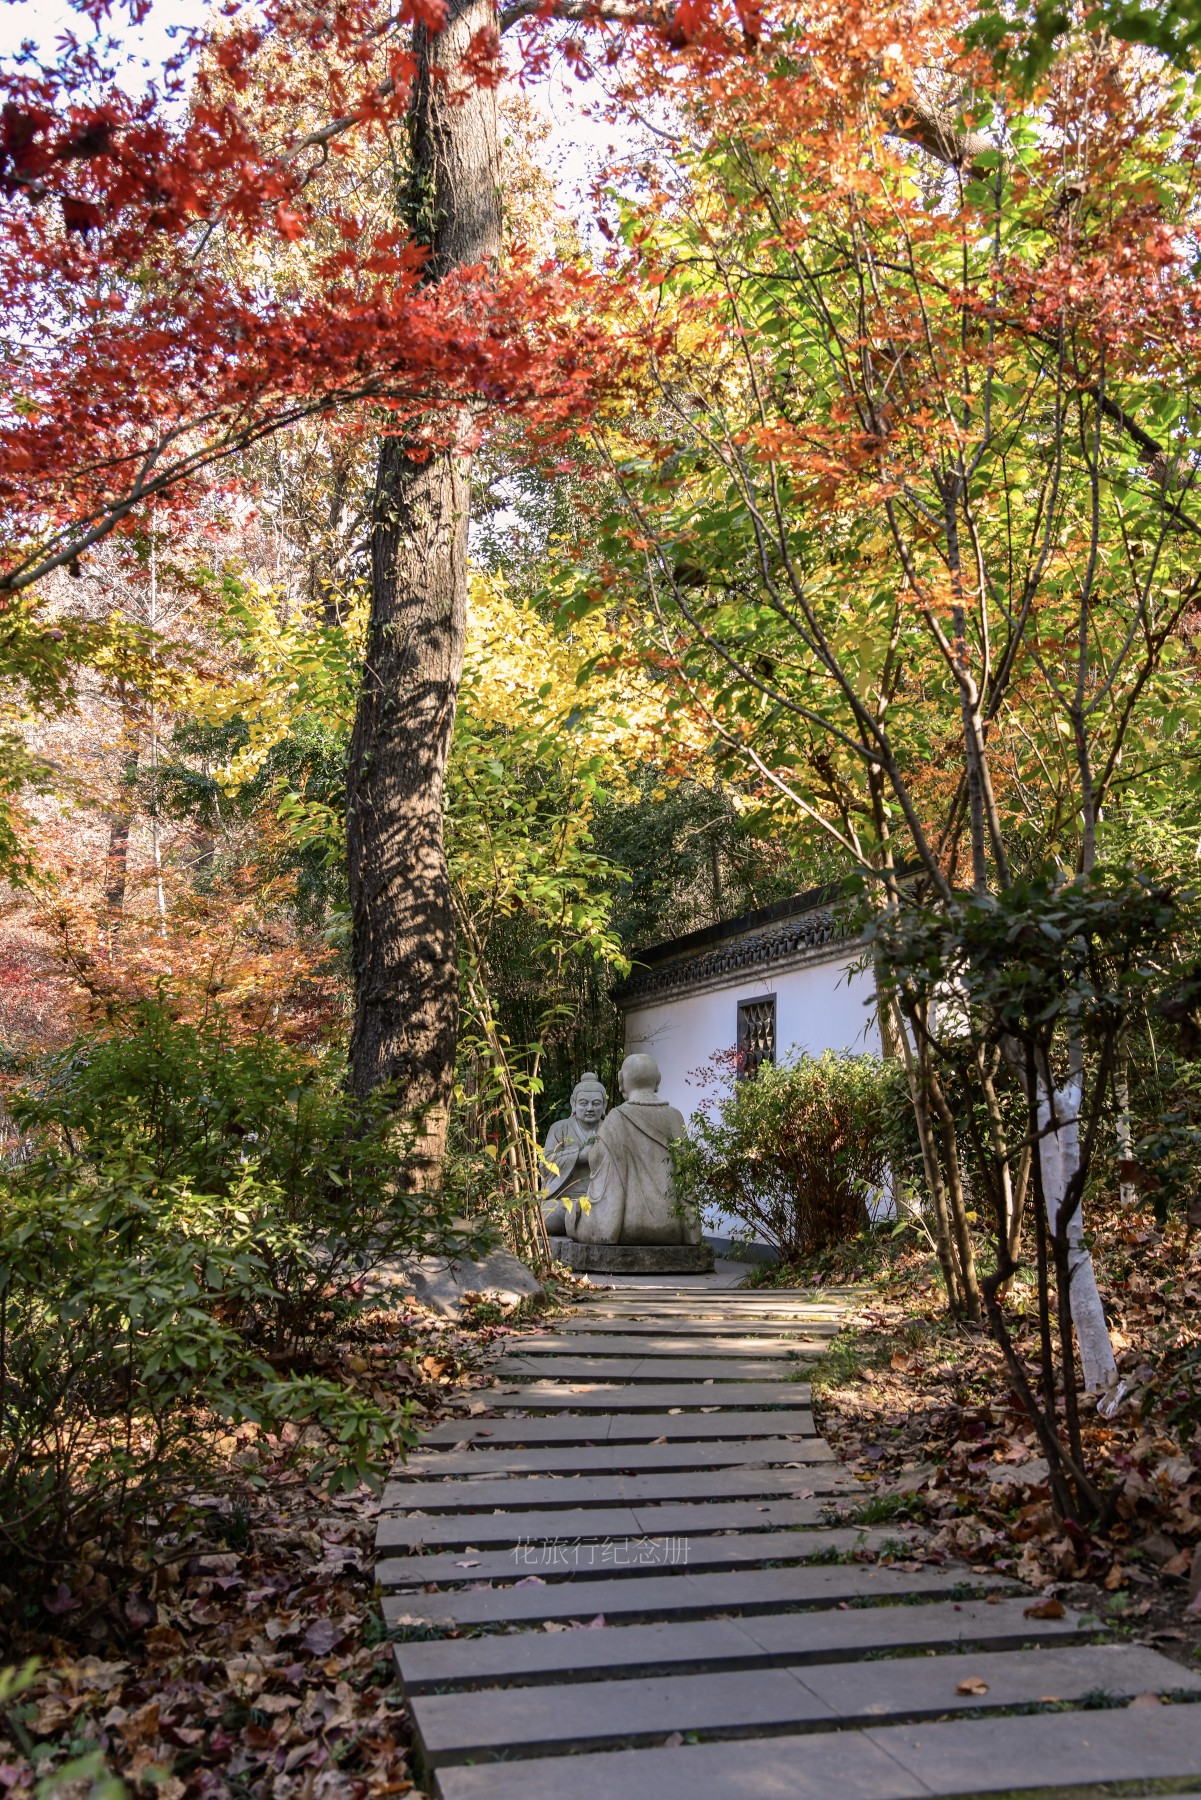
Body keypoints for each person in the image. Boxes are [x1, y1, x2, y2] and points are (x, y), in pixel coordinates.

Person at [568, 1053, 699, 1246]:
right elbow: (686, 1176)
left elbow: (597, 1164)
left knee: (573, 1215)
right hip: (672, 1228)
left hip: (628, 1227)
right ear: (658, 1081)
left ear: (621, 1080)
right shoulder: (675, 1117)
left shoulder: (616, 1118)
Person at [540, 1072, 607, 1236]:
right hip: (564, 1201)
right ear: (573, 1102)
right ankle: (587, 1225)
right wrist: (579, 1156)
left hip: (600, 1201)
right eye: (584, 1103)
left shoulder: (610, 1130)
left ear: (604, 1105)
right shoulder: (559, 1128)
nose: (590, 1109)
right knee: (545, 1217)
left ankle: (585, 1224)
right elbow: (545, 1164)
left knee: (615, 1213)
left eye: (596, 1103)